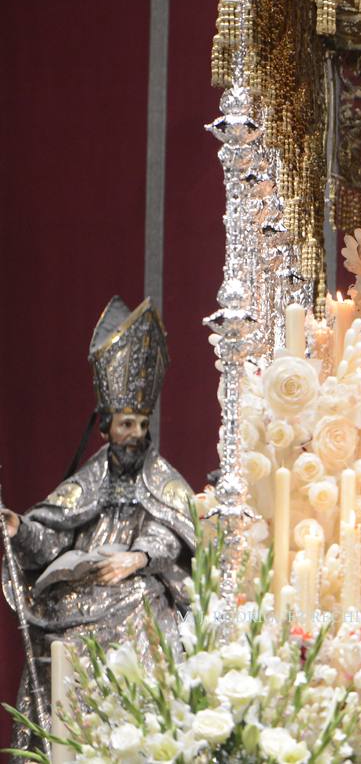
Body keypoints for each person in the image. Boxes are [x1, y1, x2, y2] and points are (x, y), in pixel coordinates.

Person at [3, 297, 196, 750]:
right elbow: (51, 531)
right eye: (127, 424)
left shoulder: (161, 480)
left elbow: (170, 529)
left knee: (140, 601)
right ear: (106, 427)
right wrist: (19, 527)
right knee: (61, 631)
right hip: (80, 594)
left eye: (143, 423)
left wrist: (138, 556)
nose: (137, 435)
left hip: (135, 587)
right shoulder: (87, 481)